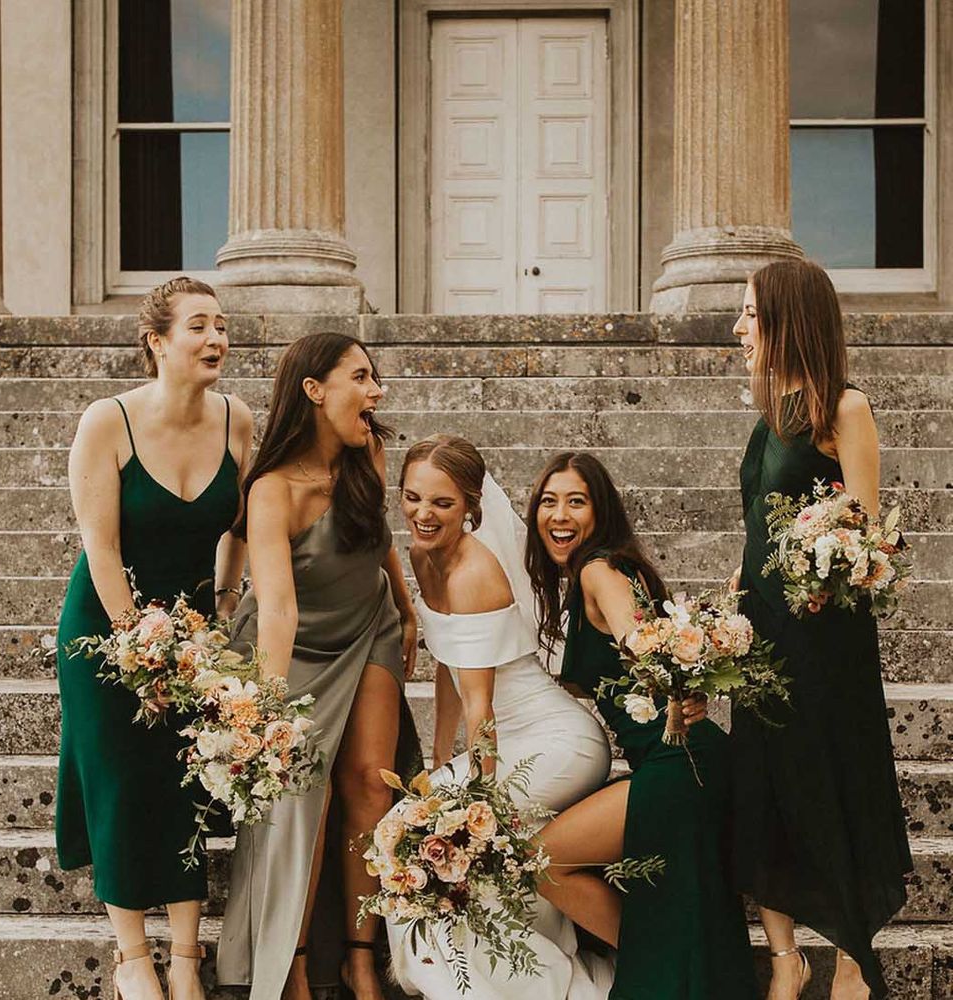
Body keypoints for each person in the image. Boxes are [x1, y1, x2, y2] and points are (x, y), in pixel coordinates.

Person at [56, 276, 253, 1000]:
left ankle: (188, 956)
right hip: (107, 628)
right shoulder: (106, 422)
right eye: (199, 326)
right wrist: (141, 646)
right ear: (156, 341)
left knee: (188, 781)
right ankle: (133, 954)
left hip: (197, 627)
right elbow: (99, 548)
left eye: (223, 327)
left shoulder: (238, 419)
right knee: (120, 781)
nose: (216, 340)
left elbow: (236, 530)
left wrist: (223, 612)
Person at [216, 332, 419, 1000]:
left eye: (375, 377)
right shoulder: (272, 487)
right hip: (291, 645)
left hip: (369, 628)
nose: (376, 391)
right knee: (303, 791)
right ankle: (297, 961)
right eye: (361, 377)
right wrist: (265, 716)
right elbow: (276, 610)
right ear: (314, 390)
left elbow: (379, 537)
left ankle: (363, 956)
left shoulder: (370, 451)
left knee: (369, 781)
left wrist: (407, 603)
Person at [729, 259, 912, 1000]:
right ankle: (783, 957)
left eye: (749, 314)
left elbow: (870, 537)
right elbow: (753, 530)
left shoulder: (847, 409)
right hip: (760, 633)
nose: (739, 329)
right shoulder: (771, 415)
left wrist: (826, 558)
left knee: (827, 783)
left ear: (787, 319)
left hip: (823, 640)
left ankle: (849, 962)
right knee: (760, 785)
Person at [385, 435, 615, 999]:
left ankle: (499, 987)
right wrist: (440, 760)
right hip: (504, 737)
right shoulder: (420, 554)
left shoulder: (473, 573)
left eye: (441, 503)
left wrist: (474, 796)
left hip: (557, 740)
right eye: (412, 498)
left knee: (429, 832)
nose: (423, 514)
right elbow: (449, 660)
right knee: (409, 825)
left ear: (471, 507)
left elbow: (481, 705)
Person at [524, 451, 759, 1000]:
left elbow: (640, 641)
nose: (559, 514)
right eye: (549, 501)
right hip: (678, 760)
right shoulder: (602, 572)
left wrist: (675, 686)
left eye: (576, 501)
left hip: (679, 763)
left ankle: (657, 968)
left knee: (543, 859)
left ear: (600, 511)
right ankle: (667, 968)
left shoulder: (598, 569)